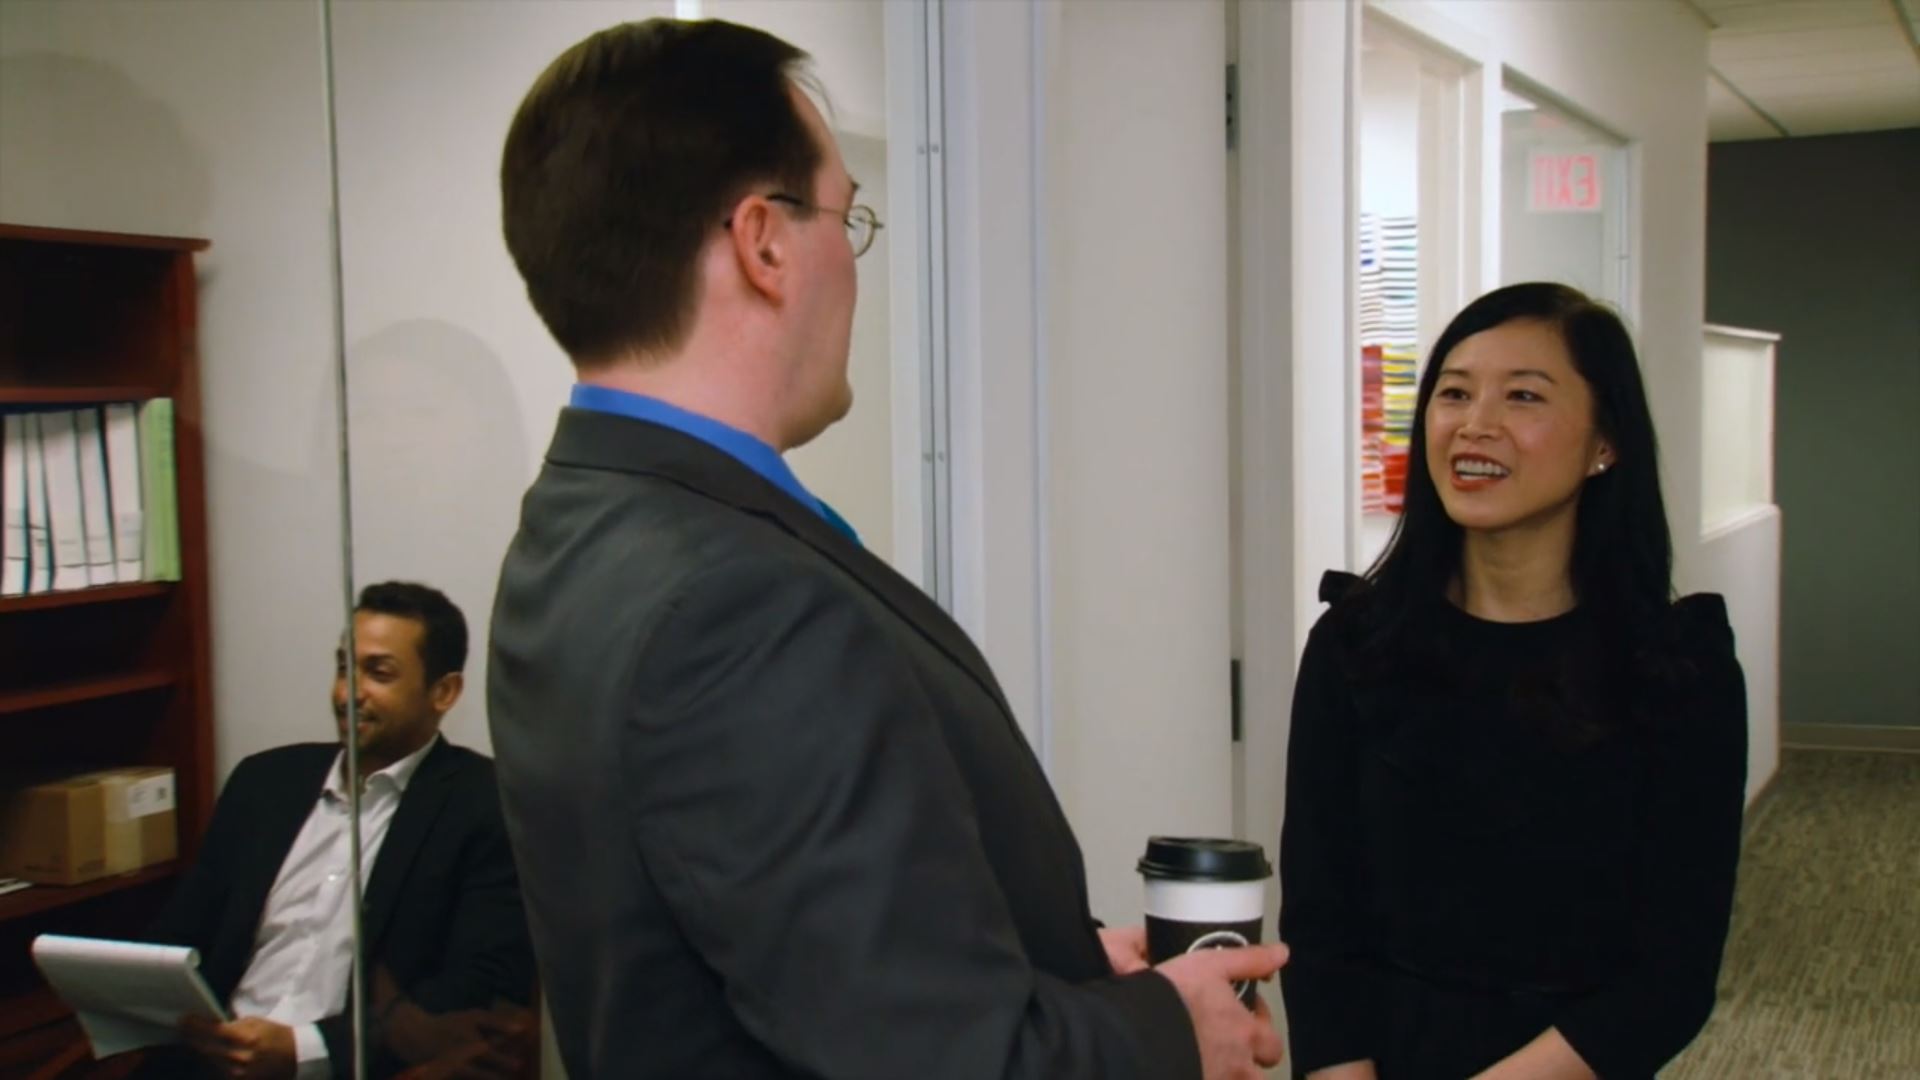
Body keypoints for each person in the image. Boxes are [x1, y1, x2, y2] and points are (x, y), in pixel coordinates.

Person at [487, 18, 1286, 1080]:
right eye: (846, 219)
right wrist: (1164, 1034)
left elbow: (778, 944)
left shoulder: (581, 519)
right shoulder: (737, 606)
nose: (852, 267)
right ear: (764, 242)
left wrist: (1044, 964)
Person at [1278, 283, 1748, 1079]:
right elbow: (1321, 925)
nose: (1474, 423)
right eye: (1453, 393)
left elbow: (1671, 975)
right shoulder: (1356, 645)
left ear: (1606, 441)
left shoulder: (1678, 670)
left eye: (1523, 395)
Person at [146, 581, 535, 1080]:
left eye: (379, 673)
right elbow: (182, 935)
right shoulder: (264, 783)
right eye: (344, 667)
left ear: (444, 691)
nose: (349, 692)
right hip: (211, 1058)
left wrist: (301, 1050)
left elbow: (475, 988)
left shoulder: (485, 805)